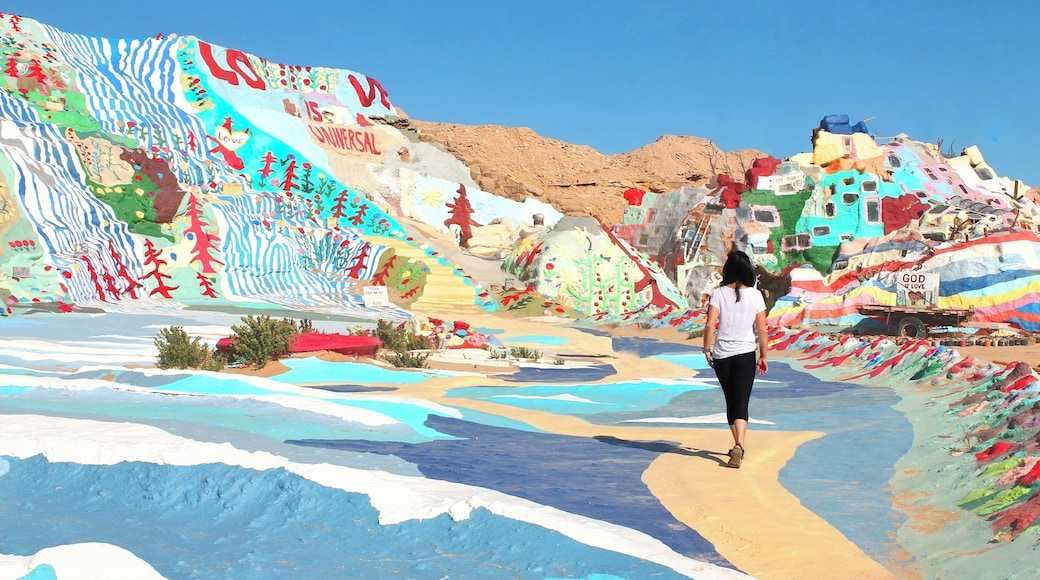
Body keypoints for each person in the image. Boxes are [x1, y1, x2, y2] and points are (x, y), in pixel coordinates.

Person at [702, 250, 769, 468]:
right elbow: (762, 329)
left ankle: (737, 446)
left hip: (722, 356)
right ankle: (739, 444)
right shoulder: (756, 295)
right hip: (745, 354)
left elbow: (710, 325)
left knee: (731, 400)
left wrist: (706, 349)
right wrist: (764, 356)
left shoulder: (719, 294)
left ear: (729, 270)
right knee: (742, 401)